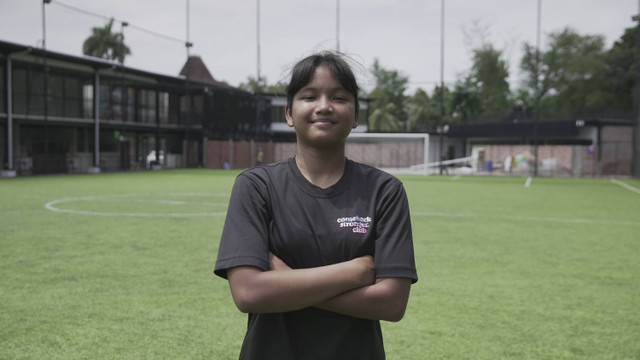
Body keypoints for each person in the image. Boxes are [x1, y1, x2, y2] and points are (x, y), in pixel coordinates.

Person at [214, 51, 418, 360]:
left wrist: (286, 280)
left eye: (339, 97)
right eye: (309, 96)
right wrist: (355, 271)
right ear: (289, 113)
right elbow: (248, 293)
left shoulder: (384, 191)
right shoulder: (257, 187)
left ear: (357, 115)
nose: (324, 106)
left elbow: (391, 303)